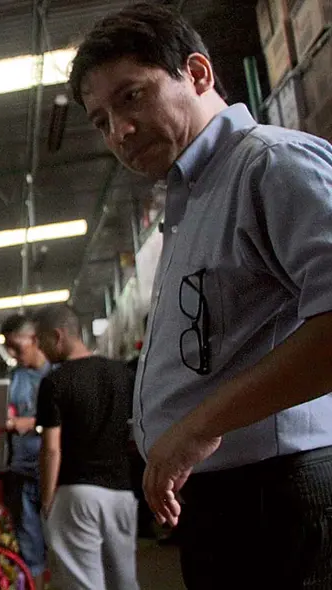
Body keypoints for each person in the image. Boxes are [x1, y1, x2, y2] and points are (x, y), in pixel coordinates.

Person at [70, 4, 332, 588]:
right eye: (101, 120)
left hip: (285, 499)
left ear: (197, 73)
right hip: (229, 506)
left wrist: (195, 428)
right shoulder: (189, 205)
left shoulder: (270, 165)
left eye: (132, 97)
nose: (119, 132)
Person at [33, 305, 138, 590]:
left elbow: (51, 449)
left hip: (76, 495)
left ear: (58, 336)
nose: (41, 349)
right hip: (122, 494)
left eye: (41, 341)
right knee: (125, 581)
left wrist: (46, 501)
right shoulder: (122, 374)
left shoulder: (54, 382)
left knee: (84, 583)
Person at [0, 314, 51, 588]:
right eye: (8, 348)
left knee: (62, 541)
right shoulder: (14, 378)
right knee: (29, 544)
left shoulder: (56, 374)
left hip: (53, 470)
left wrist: (30, 423)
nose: (12, 354)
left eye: (16, 347)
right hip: (21, 470)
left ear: (34, 339)